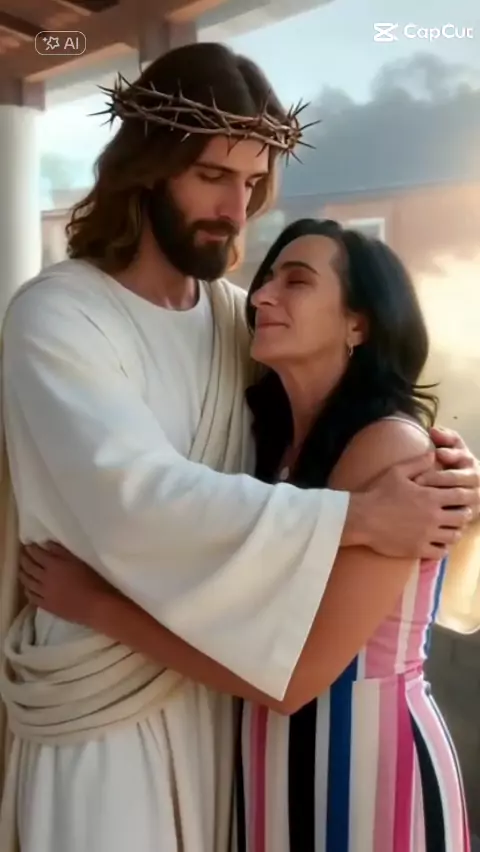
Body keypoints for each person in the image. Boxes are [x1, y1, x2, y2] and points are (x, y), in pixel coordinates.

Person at [0, 43, 478, 852]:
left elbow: (339, 414)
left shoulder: (234, 321)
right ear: (146, 168)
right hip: (99, 707)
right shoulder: (58, 315)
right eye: (213, 175)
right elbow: (132, 501)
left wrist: (449, 466)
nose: (236, 208)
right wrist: (356, 517)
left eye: (254, 183)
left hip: (225, 705)